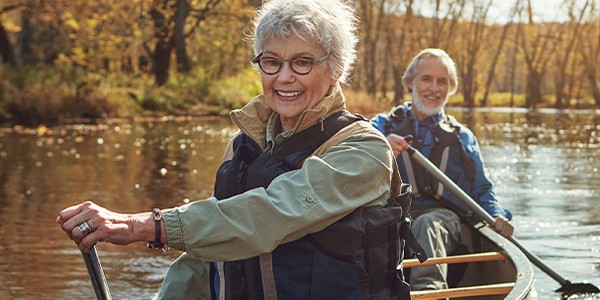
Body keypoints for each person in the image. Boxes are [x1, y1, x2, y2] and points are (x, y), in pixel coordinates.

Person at [57, 1, 415, 299]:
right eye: (272, 62)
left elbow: (271, 214)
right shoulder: (244, 144)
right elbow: (208, 253)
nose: (284, 77)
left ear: (335, 70)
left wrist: (142, 226)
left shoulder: (364, 150)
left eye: (303, 62)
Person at [370, 48, 514, 291]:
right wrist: (379, 147)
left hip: (443, 219)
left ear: (451, 89)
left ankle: (430, 293)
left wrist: (498, 215)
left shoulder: (463, 137)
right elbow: (351, 161)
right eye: (426, 79)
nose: (434, 88)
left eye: (442, 82)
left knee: (427, 224)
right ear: (409, 82)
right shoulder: (380, 126)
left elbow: (482, 189)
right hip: (392, 215)